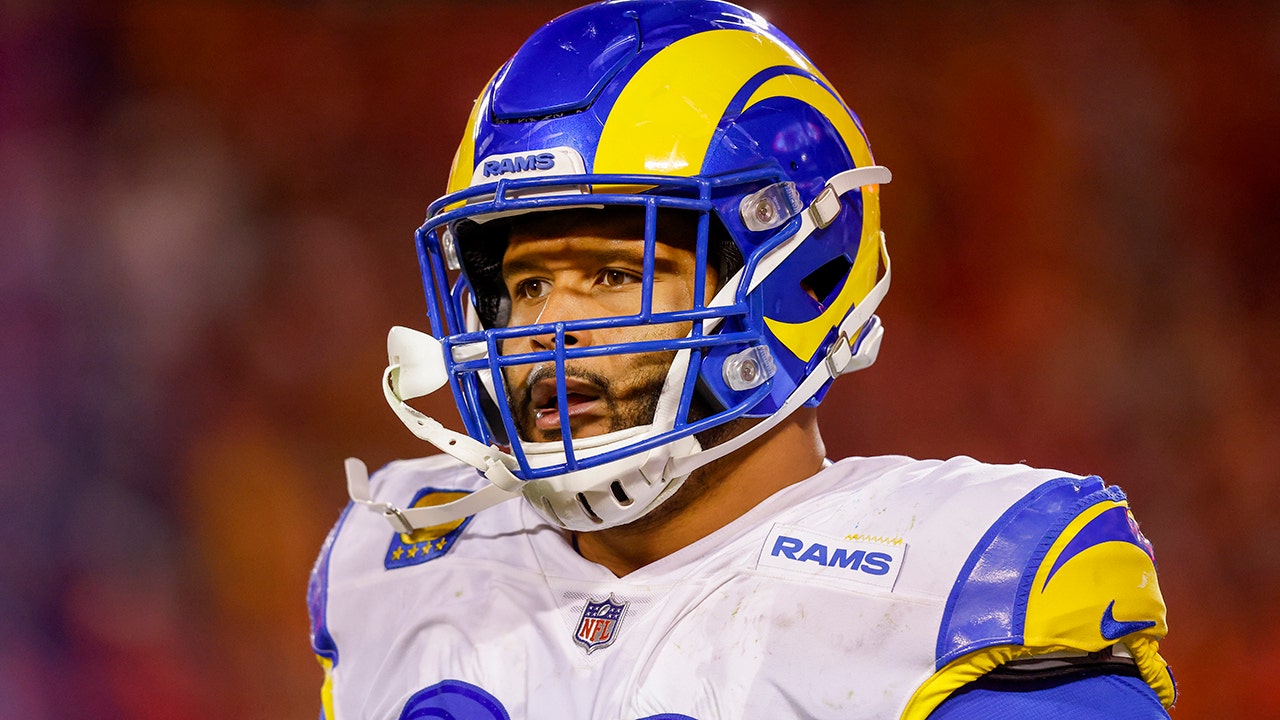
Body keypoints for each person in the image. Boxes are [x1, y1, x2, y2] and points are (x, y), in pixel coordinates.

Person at [308, 1, 1175, 717]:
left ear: (793, 277)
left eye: (614, 275)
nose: (546, 325)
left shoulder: (956, 590)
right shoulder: (395, 562)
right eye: (527, 284)